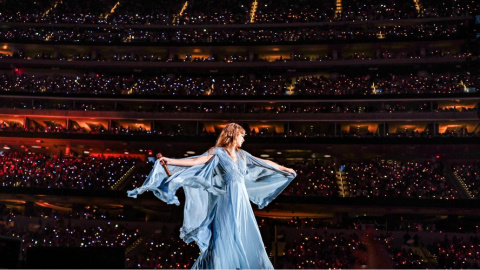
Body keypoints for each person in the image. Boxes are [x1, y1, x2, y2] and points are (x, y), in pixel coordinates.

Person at [128, 123, 296, 269]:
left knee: (243, 232)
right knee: (225, 233)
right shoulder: (217, 152)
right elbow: (195, 162)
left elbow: (264, 162)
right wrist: (170, 161)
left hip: (241, 200)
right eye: (242, 136)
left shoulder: (243, 155)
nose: (244, 139)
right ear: (233, 135)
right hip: (226, 198)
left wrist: (284, 168)